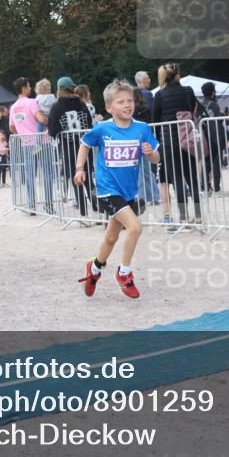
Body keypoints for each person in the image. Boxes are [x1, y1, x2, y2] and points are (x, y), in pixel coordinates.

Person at [74, 79, 160, 299]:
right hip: (107, 189)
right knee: (135, 227)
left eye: (130, 100)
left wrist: (151, 153)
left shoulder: (142, 129)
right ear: (109, 107)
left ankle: (94, 268)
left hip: (128, 192)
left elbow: (156, 158)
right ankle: (124, 273)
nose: (127, 105)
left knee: (111, 237)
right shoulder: (103, 129)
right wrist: (79, 168)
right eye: (120, 102)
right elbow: (85, 144)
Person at [151, 63, 202, 229]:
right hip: (187, 138)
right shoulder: (188, 91)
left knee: (177, 180)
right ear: (178, 75)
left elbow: (155, 120)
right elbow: (193, 109)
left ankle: (183, 217)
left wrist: (157, 142)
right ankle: (199, 215)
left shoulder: (159, 95)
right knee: (192, 177)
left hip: (169, 142)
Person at [48, 76, 96, 217]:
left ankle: (83, 212)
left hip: (68, 146)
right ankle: (96, 205)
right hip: (84, 144)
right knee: (87, 176)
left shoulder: (56, 107)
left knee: (76, 178)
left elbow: (53, 130)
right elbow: (88, 123)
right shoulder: (81, 103)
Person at [10, 77, 52, 213]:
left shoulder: (13, 107)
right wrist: (49, 120)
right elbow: (41, 118)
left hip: (26, 143)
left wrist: (23, 133)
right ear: (23, 88)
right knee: (47, 173)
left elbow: (11, 127)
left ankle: (31, 205)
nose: (30, 88)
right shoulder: (32, 102)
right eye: (28, 86)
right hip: (41, 141)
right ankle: (49, 204)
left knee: (30, 174)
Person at [199, 81, 226, 194]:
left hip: (203, 136)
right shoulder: (213, 104)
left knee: (207, 162)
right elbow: (218, 120)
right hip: (215, 137)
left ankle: (205, 187)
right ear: (212, 92)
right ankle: (217, 188)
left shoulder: (199, 104)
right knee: (216, 163)